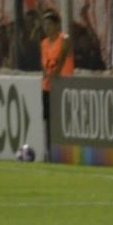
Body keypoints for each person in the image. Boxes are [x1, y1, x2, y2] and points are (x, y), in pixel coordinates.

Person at [40, 9, 74, 148]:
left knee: (63, 119)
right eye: (45, 25)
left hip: (62, 86)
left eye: (49, 24)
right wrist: (47, 77)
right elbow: (44, 64)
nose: (46, 28)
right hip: (48, 87)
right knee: (48, 120)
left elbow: (61, 59)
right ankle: (49, 149)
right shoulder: (44, 43)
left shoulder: (64, 40)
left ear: (57, 25)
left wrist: (55, 75)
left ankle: (65, 148)